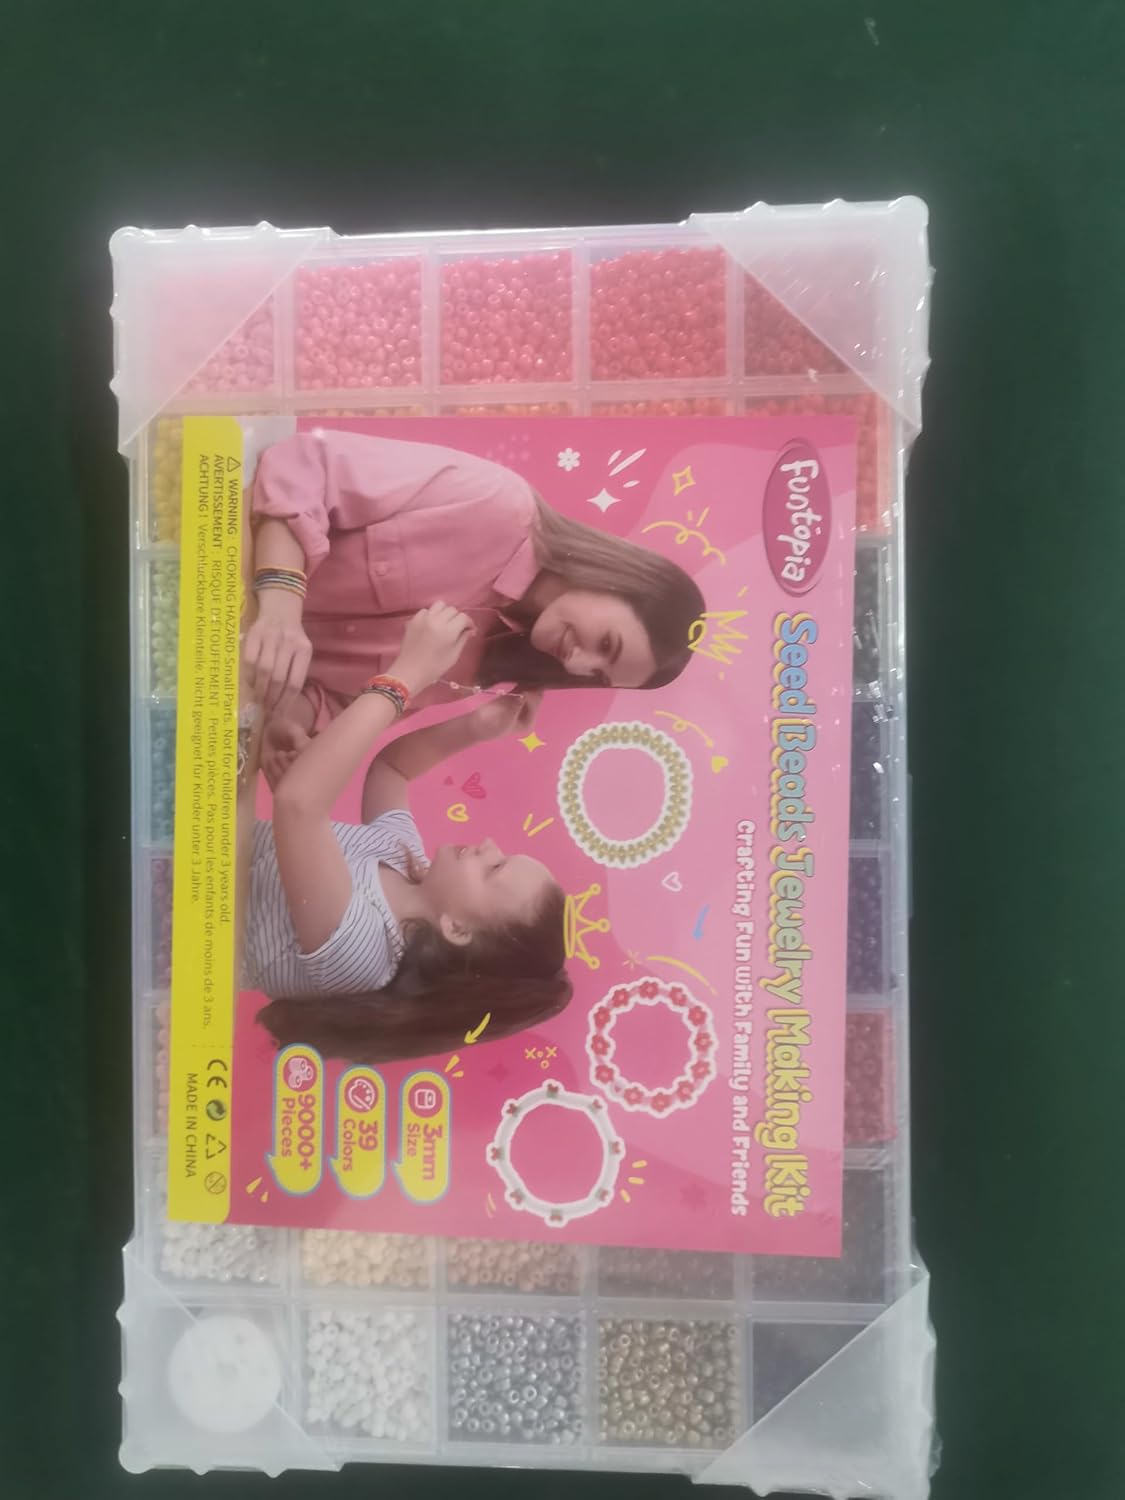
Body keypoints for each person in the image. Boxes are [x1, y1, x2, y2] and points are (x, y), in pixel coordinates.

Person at [243, 429, 706, 781]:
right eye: (606, 644)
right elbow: (307, 463)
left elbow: (333, 699)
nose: (577, 664)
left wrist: (292, 725)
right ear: (617, 579)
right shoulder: (495, 503)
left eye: (597, 675)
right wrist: (281, 604)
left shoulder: (475, 675)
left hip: (209, 668)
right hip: (211, 544)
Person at [248, 602, 572, 1065]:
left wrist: (409, 675)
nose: (488, 846)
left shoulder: (367, 956)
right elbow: (392, 771)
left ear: (457, 928)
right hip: (191, 850)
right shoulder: (405, 863)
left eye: (494, 868)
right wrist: (476, 728)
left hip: (172, 917)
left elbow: (299, 806)